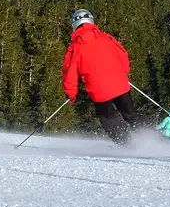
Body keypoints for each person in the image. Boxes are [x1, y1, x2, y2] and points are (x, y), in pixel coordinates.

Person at [63, 9, 148, 144]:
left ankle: (128, 145)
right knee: (131, 114)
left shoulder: (75, 48)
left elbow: (70, 73)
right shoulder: (106, 38)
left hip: (99, 91)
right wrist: (123, 73)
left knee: (108, 119)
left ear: (74, 25)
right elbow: (123, 55)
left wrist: (71, 94)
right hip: (120, 84)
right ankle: (150, 138)